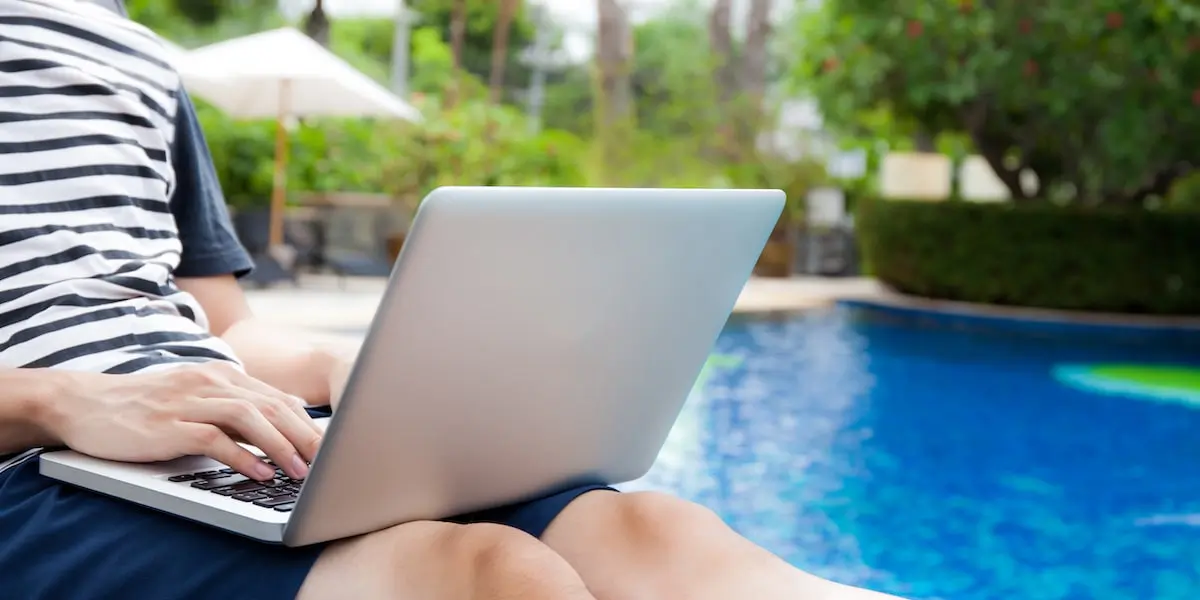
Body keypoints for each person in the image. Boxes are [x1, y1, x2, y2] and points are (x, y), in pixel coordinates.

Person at [0, 1, 902, 599]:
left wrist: (347, 367)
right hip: (34, 465)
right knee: (489, 576)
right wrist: (60, 401)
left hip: (233, 432)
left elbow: (226, 328)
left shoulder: (134, 50)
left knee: (652, 533)